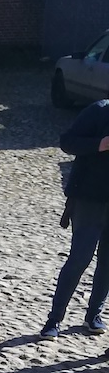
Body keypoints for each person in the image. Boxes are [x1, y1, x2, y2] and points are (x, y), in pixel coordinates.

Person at [40, 98, 109, 338]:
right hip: (89, 200)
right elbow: (67, 142)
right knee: (79, 259)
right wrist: (100, 144)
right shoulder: (99, 111)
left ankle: (93, 316)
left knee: (107, 264)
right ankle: (54, 319)